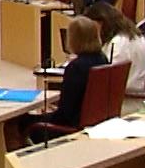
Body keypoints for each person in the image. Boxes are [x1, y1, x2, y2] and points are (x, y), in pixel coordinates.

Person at [11, 17, 109, 145]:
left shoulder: (76, 68)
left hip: (71, 127)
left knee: (17, 121)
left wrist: (47, 116)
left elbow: (64, 115)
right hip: (94, 121)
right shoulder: (103, 60)